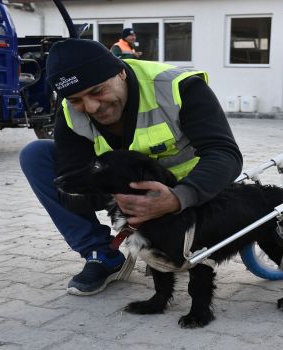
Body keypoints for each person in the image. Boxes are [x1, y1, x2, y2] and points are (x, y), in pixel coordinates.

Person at [19, 39, 242, 296]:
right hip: (120, 193)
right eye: (76, 99)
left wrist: (179, 198)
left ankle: (165, 241)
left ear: (121, 71)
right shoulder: (70, 113)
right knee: (36, 155)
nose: (91, 107)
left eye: (97, 91)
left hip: (192, 191)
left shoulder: (178, 88)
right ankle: (104, 255)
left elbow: (225, 154)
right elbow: (72, 181)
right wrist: (119, 199)